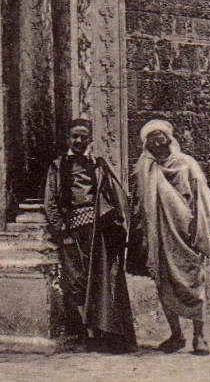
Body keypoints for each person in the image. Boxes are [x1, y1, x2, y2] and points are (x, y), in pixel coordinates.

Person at [42, 118, 136, 351]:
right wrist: (61, 231)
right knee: (77, 280)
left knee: (102, 280)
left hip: (99, 232)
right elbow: (51, 201)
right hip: (73, 232)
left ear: (90, 139)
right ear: (68, 138)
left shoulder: (98, 165)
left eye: (83, 136)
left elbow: (114, 195)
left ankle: (104, 332)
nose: (78, 140)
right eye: (74, 135)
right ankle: (86, 331)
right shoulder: (58, 166)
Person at [132, 119, 210, 355]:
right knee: (164, 284)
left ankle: (199, 336)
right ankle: (176, 334)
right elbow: (140, 204)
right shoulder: (145, 168)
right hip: (160, 236)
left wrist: (200, 231)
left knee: (194, 284)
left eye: (163, 141)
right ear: (148, 145)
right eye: (154, 143)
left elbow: (203, 200)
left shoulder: (187, 164)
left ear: (170, 140)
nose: (160, 146)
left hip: (187, 235)